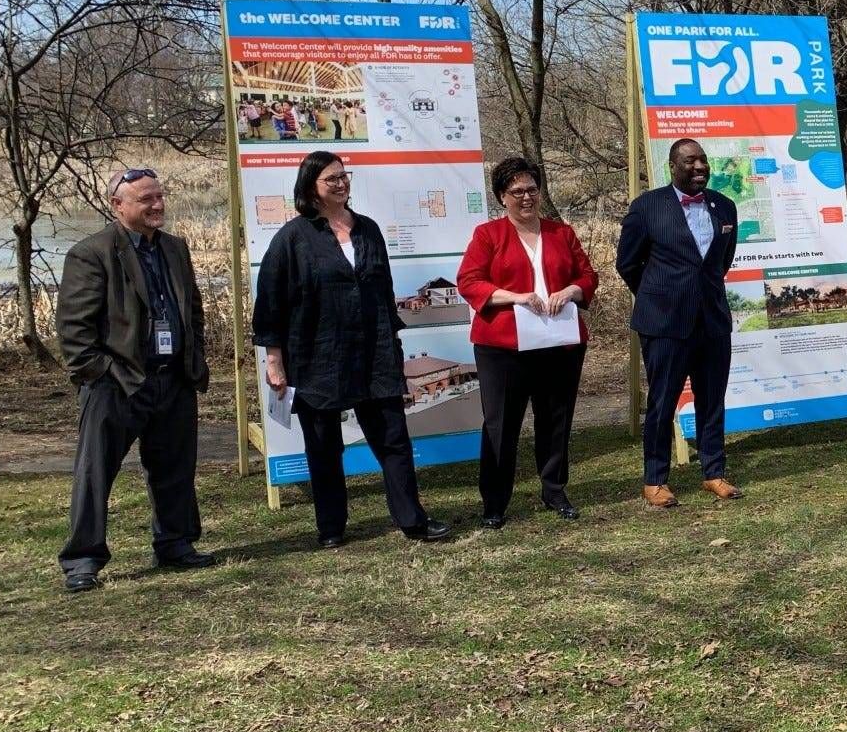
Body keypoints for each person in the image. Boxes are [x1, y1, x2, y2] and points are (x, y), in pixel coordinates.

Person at [253, 151, 452, 547]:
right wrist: (274, 361)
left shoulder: (368, 230)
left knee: (393, 439)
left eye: (344, 176)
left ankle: (412, 520)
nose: (341, 183)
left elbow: (383, 291)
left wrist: (393, 346)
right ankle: (331, 527)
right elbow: (270, 303)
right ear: (311, 187)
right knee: (324, 445)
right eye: (332, 179)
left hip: (374, 352)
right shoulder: (293, 237)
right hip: (318, 355)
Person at [55, 168, 214, 593]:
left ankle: (175, 544)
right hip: (116, 384)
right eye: (146, 199)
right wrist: (104, 373)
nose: (157, 205)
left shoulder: (175, 248)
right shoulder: (91, 253)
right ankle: (82, 560)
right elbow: (74, 332)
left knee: (174, 469)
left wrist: (192, 359)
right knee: (95, 473)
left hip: (172, 379)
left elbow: (192, 311)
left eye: (159, 196)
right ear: (118, 205)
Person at [457, 158, 599, 527]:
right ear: (501, 197)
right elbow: (469, 281)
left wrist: (571, 290)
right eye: (517, 191)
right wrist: (515, 297)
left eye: (532, 190)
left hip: (559, 342)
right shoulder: (488, 235)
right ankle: (495, 501)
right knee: (501, 424)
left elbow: (588, 275)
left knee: (556, 419)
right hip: (503, 347)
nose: (526, 197)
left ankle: (554, 489)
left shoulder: (561, 232)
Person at [616, 138, 743, 509]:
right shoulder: (647, 207)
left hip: (712, 322)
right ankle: (655, 479)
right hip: (664, 324)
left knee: (712, 400)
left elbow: (720, 262)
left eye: (703, 160)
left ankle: (714, 471)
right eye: (690, 161)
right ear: (672, 166)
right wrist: (658, 297)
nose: (699, 166)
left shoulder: (725, 206)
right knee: (662, 401)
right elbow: (628, 264)